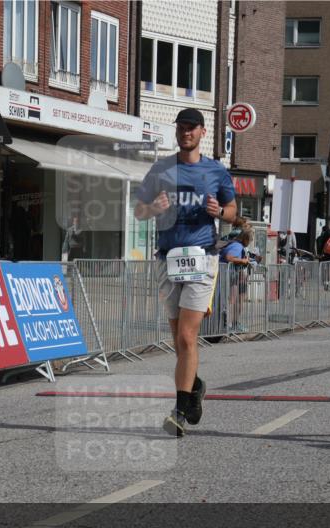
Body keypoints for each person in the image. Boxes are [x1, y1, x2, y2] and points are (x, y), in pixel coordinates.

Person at [134, 108, 236, 437]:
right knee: (179, 341)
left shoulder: (216, 170)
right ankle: (195, 385)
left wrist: (219, 211)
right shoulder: (161, 168)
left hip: (202, 259)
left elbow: (233, 212)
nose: (186, 132)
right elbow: (139, 210)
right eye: (181, 127)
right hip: (168, 260)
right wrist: (154, 208)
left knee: (188, 336)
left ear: (203, 132)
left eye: (191, 128)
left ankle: (179, 409)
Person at [220, 229, 253, 330]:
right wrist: (243, 261)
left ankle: (232, 324)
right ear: (245, 239)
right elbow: (229, 257)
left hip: (231, 276)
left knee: (232, 301)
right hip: (226, 276)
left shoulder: (236, 245)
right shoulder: (237, 246)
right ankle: (227, 325)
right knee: (230, 301)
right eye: (250, 240)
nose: (250, 242)